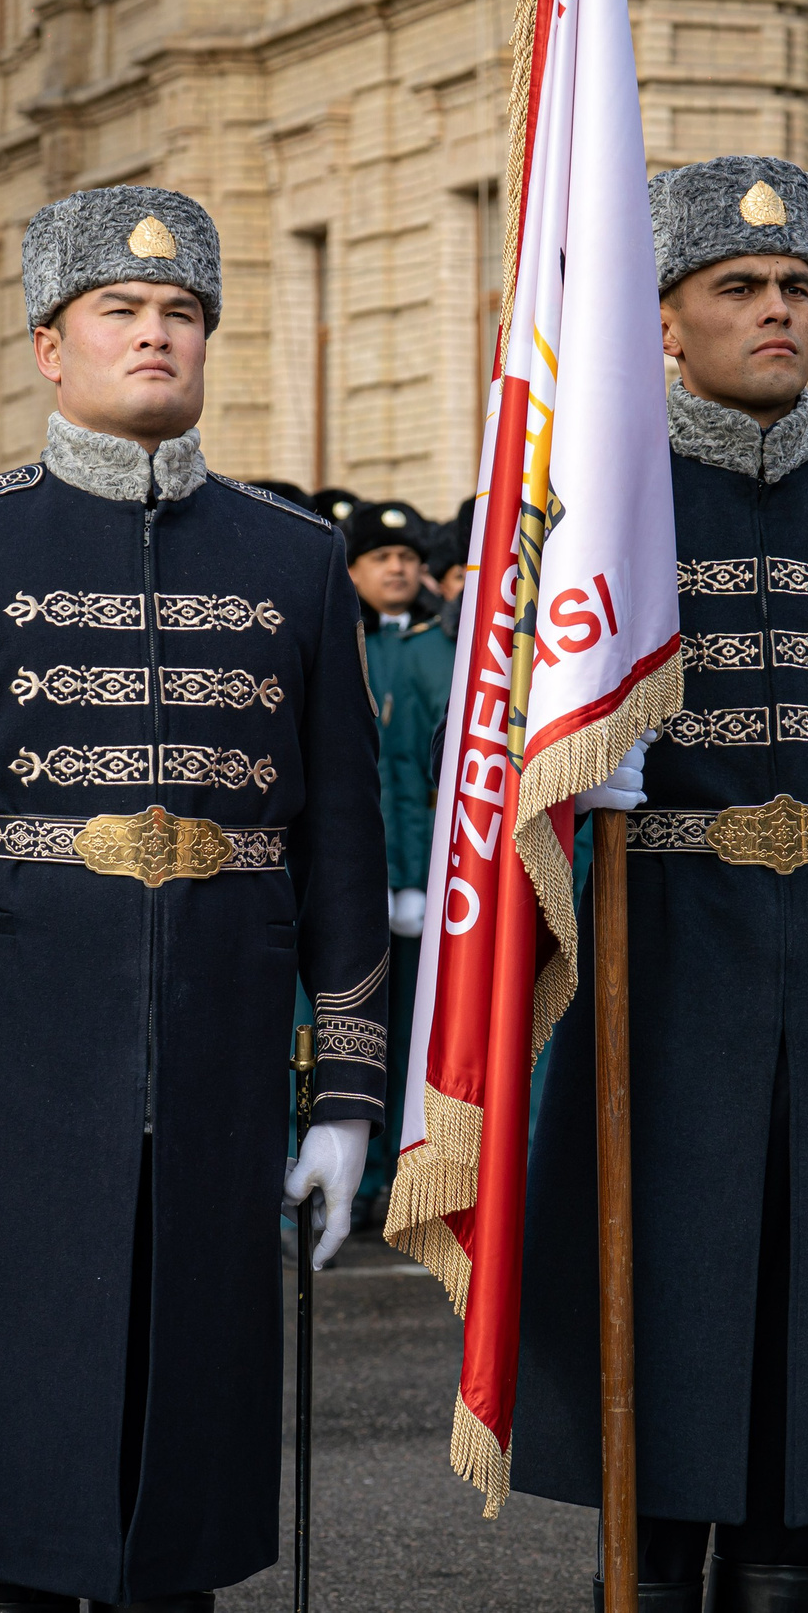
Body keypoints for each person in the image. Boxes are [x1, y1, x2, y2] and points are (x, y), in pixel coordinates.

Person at [0, 185, 390, 1612]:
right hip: (10, 1068)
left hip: (218, 1063)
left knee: (178, 1504)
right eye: (120, 311)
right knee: (8, 1496)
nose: (156, 336)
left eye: (181, 314)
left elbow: (341, 842)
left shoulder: (295, 558)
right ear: (47, 347)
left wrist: (345, 1098)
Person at [513, 155, 808, 1613]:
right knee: (659, 1398)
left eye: (796, 286)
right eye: (739, 286)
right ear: (666, 317)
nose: (776, 309)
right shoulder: (595, 511)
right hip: (661, 985)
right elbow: (495, 785)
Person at [347, 498, 454, 1224]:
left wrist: (416, 877)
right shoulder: (337, 637)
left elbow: (421, 780)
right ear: (352, 568)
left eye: (409, 559)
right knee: (342, 1031)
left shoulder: (430, 647)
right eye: (382, 558)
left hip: (419, 880)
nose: (397, 569)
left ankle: (397, 1179)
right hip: (351, 879)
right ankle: (339, 1185)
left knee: (414, 1036)